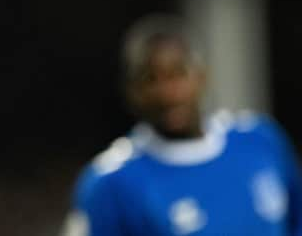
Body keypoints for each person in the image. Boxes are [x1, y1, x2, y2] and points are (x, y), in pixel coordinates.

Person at [59, 13, 302, 236]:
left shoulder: (260, 140)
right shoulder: (111, 182)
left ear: (202, 76)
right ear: (131, 91)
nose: (168, 93)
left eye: (178, 74)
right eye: (150, 79)